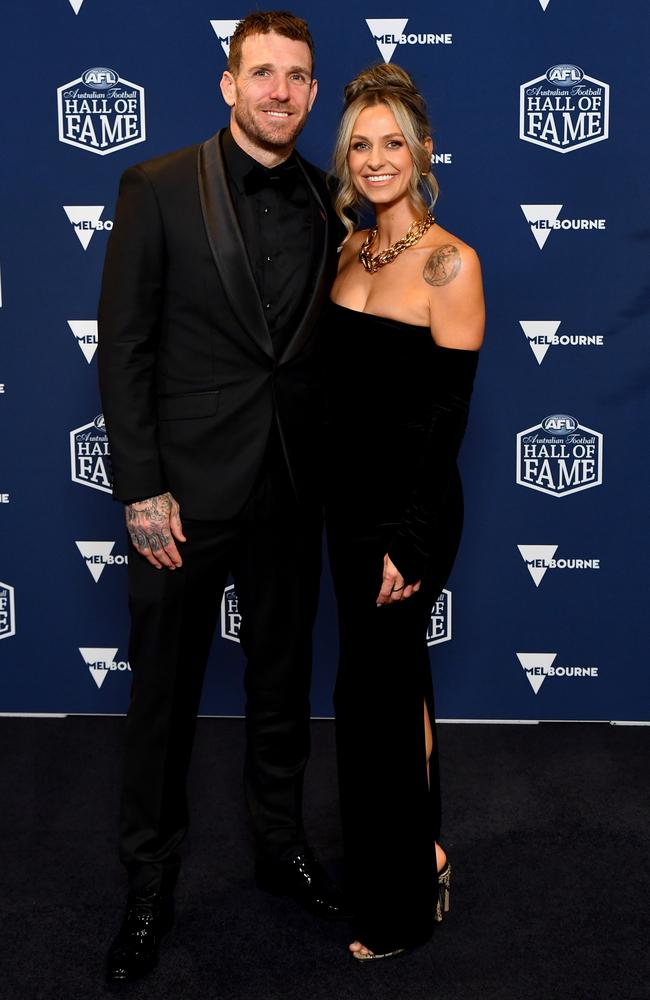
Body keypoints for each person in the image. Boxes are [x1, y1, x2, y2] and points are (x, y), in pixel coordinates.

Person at [97, 11, 345, 984]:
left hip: (289, 488)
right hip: (182, 499)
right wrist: (140, 486)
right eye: (262, 74)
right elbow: (124, 347)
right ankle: (149, 884)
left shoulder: (334, 202)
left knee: (280, 688)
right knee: (160, 699)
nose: (279, 91)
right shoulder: (155, 186)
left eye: (296, 77)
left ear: (313, 93)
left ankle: (278, 848)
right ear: (226, 84)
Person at [323, 63, 485, 959]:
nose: (377, 158)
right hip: (345, 511)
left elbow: (446, 417)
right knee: (385, 689)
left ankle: (401, 909)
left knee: (378, 698)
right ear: (346, 159)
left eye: (393, 142)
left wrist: (412, 538)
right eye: (360, 143)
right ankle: (418, 852)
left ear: (422, 152)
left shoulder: (449, 260)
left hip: (408, 517)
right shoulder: (350, 249)